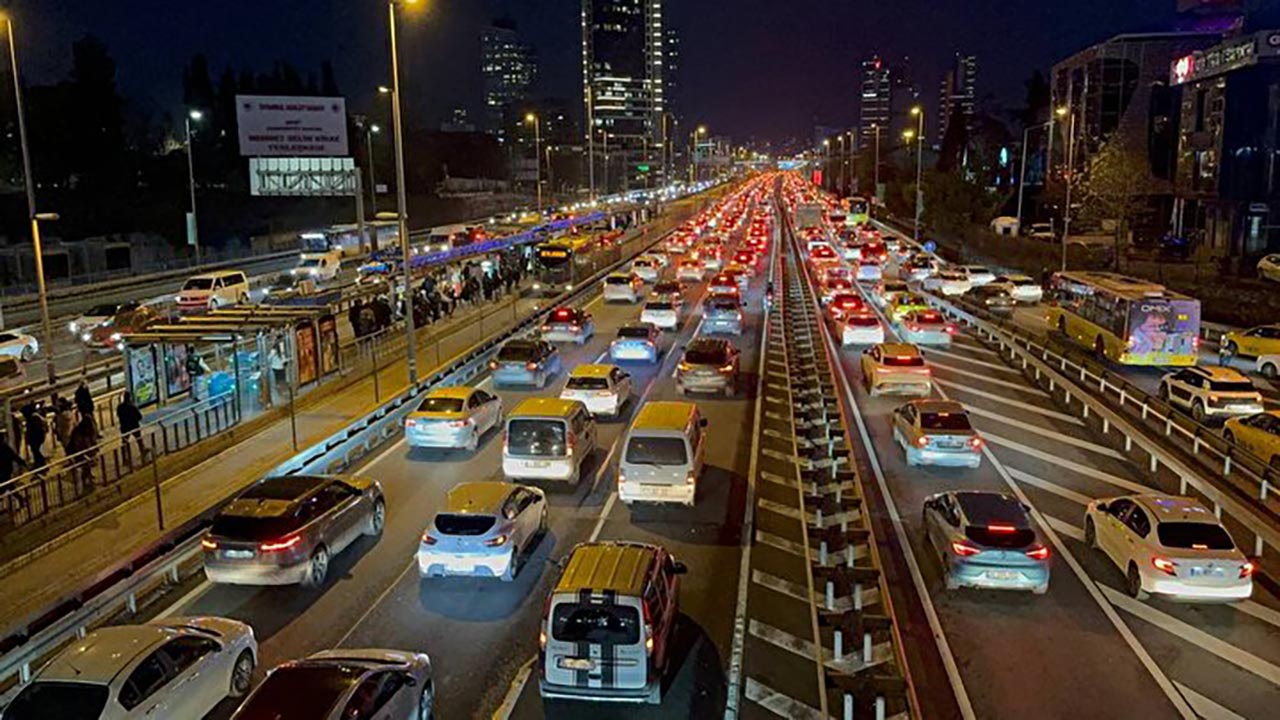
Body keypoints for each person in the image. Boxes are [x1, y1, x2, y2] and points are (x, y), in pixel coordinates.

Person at [116, 392, 146, 467]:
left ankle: (125, 459)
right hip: (134, 426)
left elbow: (118, 415)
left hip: (124, 427)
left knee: (124, 442)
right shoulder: (132, 406)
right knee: (139, 440)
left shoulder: (120, 407)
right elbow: (139, 416)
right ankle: (143, 451)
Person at [67, 415, 98, 486]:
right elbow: (77, 443)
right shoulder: (79, 432)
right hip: (81, 452)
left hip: (86, 451)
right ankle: (84, 480)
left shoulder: (85, 430)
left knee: (87, 465)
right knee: (84, 465)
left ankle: (87, 478)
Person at [22, 403, 47, 473]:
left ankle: (41, 466)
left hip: (35, 438)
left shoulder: (33, 418)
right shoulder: (33, 417)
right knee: (36, 452)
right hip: (35, 438)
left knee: (36, 452)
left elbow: (35, 429)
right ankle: (40, 465)